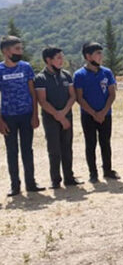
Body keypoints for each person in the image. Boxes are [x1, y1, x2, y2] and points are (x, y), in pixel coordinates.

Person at [0, 36, 45, 196]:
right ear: (6, 51)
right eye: (17, 49)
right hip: (8, 117)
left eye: (21, 48)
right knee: (12, 151)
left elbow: (32, 92)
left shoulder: (26, 67)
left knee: (27, 150)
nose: (20, 52)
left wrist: (35, 114)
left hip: (26, 115)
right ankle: (15, 186)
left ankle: (31, 183)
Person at [35, 46, 82, 189]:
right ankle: (55, 179)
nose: (62, 60)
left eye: (62, 57)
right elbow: (42, 101)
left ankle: (69, 177)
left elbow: (73, 95)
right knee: (54, 149)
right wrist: (59, 116)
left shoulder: (66, 75)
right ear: (48, 60)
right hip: (51, 119)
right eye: (58, 57)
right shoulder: (40, 78)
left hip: (67, 116)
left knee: (67, 147)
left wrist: (64, 113)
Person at [74, 42, 120, 183]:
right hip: (88, 115)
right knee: (91, 144)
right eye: (98, 53)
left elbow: (112, 94)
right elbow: (79, 97)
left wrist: (103, 111)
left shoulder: (107, 72)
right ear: (88, 56)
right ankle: (93, 173)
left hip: (106, 114)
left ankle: (108, 170)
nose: (101, 56)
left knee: (105, 143)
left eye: (101, 53)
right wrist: (94, 113)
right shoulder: (79, 75)